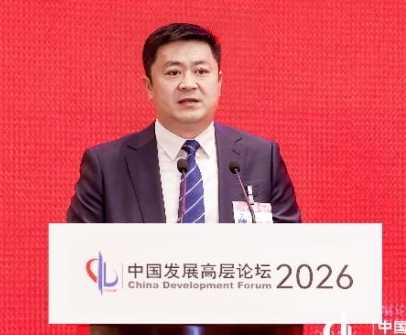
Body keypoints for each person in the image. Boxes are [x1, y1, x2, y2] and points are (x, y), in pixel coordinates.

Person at [67, 23, 300, 223]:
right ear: (149, 86)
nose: (188, 84)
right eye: (173, 72)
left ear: (219, 82)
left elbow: (290, 248)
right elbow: (81, 251)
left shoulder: (262, 158)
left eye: (201, 71)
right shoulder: (106, 166)